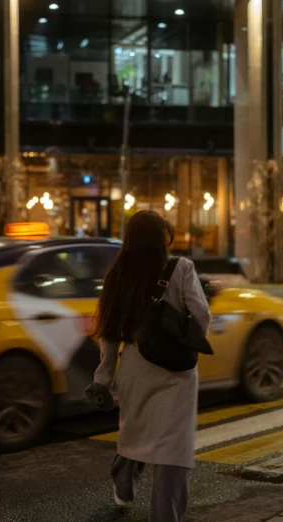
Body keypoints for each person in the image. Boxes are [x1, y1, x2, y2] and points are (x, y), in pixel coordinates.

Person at [91, 210, 211, 522]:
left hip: (133, 369)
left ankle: (124, 473)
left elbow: (109, 333)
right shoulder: (181, 268)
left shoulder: (117, 274)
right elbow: (202, 315)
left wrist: (103, 379)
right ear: (161, 239)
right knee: (173, 450)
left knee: (138, 432)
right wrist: (185, 338)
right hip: (176, 371)